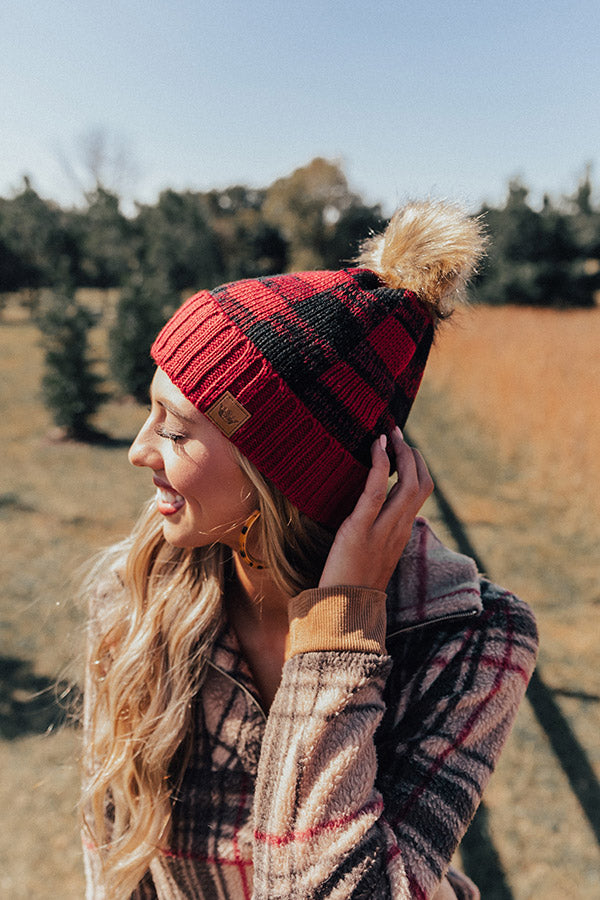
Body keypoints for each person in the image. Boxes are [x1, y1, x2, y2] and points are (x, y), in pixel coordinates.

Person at [81, 200, 539, 900]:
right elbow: (110, 856)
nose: (139, 451)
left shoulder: (471, 639)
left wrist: (337, 636)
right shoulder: (136, 593)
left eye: (174, 430)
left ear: (280, 472)